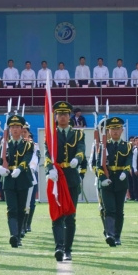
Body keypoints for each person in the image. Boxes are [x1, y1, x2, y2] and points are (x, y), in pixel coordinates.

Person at [45, 101, 85, 261]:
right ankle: (59, 247)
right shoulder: (51, 134)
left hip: (71, 179)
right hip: (56, 177)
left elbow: (81, 149)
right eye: (59, 114)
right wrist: (49, 169)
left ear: (69, 116)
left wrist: (77, 159)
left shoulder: (77, 134)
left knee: (70, 215)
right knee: (57, 215)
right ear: (56, 116)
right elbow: (47, 154)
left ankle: (68, 249)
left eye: (65, 114)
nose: (62, 116)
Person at [95, 116, 132, 247]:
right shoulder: (104, 146)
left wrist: (125, 172)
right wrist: (102, 178)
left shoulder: (127, 146)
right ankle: (110, 234)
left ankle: (117, 236)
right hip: (107, 181)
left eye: (118, 128)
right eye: (112, 129)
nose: (115, 131)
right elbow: (97, 164)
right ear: (108, 131)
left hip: (121, 182)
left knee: (119, 210)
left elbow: (128, 162)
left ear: (122, 130)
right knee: (109, 209)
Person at [0, 115, 34, 248]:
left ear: (21, 128)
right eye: (12, 127)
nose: (14, 129)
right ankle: (13, 235)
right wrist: (0, 168)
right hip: (8, 179)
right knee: (11, 208)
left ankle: (18, 236)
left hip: (22, 178)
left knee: (21, 209)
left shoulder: (27, 144)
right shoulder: (4, 145)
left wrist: (19, 168)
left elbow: (27, 158)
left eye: (17, 127)